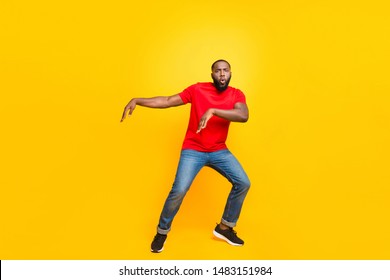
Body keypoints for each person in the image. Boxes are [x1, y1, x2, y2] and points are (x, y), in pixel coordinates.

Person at [121, 59, 251, 253]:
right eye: (218, 71)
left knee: (243, 182)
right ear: (212, 75)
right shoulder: (198, 90)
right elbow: (167, 101)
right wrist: (138, 100)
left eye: (225, 71)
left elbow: (243, 115)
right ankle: (162, 231)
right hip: (193, 149)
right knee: (179, 189)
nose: (222, 74)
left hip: (218, 149)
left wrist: (213, 110)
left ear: (230, 73)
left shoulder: (236, 94)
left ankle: (225, 227)